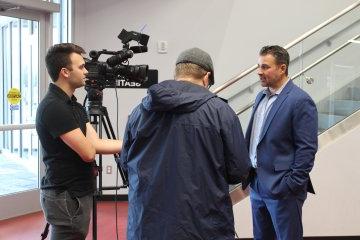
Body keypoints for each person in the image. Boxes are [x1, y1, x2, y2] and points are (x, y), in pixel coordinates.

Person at [120, 47, 251, 239]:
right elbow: (238, 170)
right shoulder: (220, 112)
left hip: (147, 225)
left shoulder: (140, 110)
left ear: (176, 74)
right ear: (207, 77)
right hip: (204, 225)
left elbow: (126, 163)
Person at [36, 43, 122, 240]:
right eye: (81, 67)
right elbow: (88, 153)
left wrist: (134, 141)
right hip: (66, 196)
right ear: (65, 72)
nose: (87, 71)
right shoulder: (54, 107)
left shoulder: (73, 104)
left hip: (76, 193)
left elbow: (96, 143)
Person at [246, 45, 318, 240]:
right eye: (258, 66)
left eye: (265, 67)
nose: (259, 72)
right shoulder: (261, 96)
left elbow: (307, 148)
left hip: (283, 188)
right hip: (257, 184)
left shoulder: (300, 101)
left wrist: (291, 184)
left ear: (282, 67)